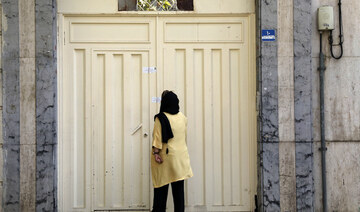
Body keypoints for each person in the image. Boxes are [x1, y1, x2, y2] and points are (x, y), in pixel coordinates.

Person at [151, 90, 193, 212]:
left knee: (161, 192)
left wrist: (156, 153)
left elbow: (157, 140)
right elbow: (183, 136)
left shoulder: (161, 118)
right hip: (181, 159)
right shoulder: (183, 117)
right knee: (179, 193)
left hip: (166, 160)